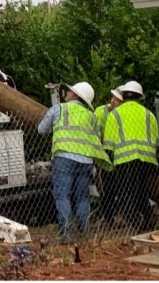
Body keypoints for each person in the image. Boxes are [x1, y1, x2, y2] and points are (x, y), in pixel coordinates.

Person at [37, 81, 110, 243]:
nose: (67, 93)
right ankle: (86, 234)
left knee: (62, 196)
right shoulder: (91, 116)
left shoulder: (59, 109)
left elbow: (41, 129)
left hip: (64, 157)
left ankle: (66, 234)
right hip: (86, 160)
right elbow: (97, 137)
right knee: (83, 197)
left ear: (76, 95)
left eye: (70, 91)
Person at [102, 80, 159, 234]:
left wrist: (107, 162)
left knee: (124, 193)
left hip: (125, 159)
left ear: (123, 95)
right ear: (139, 97)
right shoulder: (149, 115)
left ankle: (135, 223)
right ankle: (148, 217)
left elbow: (109, 143)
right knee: (140, 191)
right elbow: (156, 139)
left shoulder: (115, 114)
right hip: (148, 159)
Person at [94, 87, 123, 220]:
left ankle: (116, 214)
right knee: (106, 186)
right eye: (113, 98)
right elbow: (95, 133)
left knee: (119, 185)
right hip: (105, 153)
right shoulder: (100, 112)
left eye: (117, 100)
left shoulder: (123, 114)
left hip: (120, 153)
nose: (113, 101)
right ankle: (108, 216)